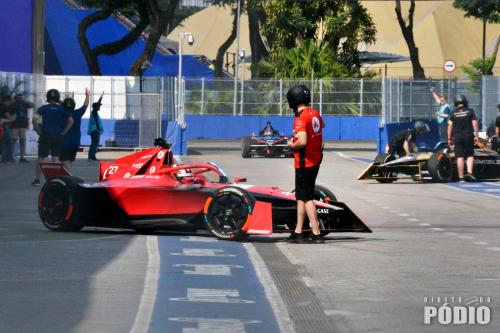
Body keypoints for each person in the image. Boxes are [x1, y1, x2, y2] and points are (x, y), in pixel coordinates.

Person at [286, 85, 325, 244]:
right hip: (315, 159)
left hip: (304, 162)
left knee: (307, 197)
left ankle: (316, 233)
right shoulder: (314, 113)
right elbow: (318, 131)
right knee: (300, 197)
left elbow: (302, 141)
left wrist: (291, 144)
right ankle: (298, 231)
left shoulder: (300, 118)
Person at [32, 89, 74, 186]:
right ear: (58, 98)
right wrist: (63, 133)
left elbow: (34, 119)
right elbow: (71, 121)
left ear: (47, 98)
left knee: (41, 158)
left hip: (45, 136)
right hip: (57, 137)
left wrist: (39, 131)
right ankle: (57, 179)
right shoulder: (62, 109)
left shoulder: (42, 108)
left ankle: (37, 179)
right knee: (56, 158)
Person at [447, 94, 479, 182]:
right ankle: (469, 173)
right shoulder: (470, 111)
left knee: (459, 156)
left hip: (457, 137)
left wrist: (449, 138)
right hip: (468, 136)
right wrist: (476, 135)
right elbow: (475, 124)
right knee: (469, 154)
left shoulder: (452, 113)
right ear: (465, 101)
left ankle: (461, 177)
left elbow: (449, 126)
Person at [60, 88, 91, 172]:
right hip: (75, 142)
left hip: (64, 142)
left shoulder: (61, 113)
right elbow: (85, 105)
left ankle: (68, 179)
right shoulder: (77, 113)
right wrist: (87, 96)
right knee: (69, 162)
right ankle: (66, 177)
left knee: (65, 162)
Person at [11, 93, 34, 162]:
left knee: (22, 140)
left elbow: (33, 105)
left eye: (21, 97)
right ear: (16, 98)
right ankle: (10, 156)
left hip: (23, 125)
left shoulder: (24, 104)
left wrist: (25, 101)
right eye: (19, 97)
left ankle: (22, 157)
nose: (20, 99)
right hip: (14, 125)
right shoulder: (13, 104)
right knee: (13, 141)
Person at [87, 94, 104, 161]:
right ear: (96, 107)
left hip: (93, 130)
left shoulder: (94, 112)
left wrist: (101, 97)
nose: (99, 107)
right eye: (98, 106)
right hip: (95, 131)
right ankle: (92, 157)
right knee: (94, 144)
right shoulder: (94, 112)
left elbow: (98, 103)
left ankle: (90, 156)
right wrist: (98, 128)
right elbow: (96, 121)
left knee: (93, 143)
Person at [0, 96, 16, 163]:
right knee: (8, 142)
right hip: (3, 126)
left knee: (3, 142)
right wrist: (13, 117)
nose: (10, 104)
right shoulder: (4, 107)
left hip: (2, 124)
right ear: (7, 101)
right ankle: (8, 158)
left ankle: (4, 158)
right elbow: (9, 118)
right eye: (10, 102)